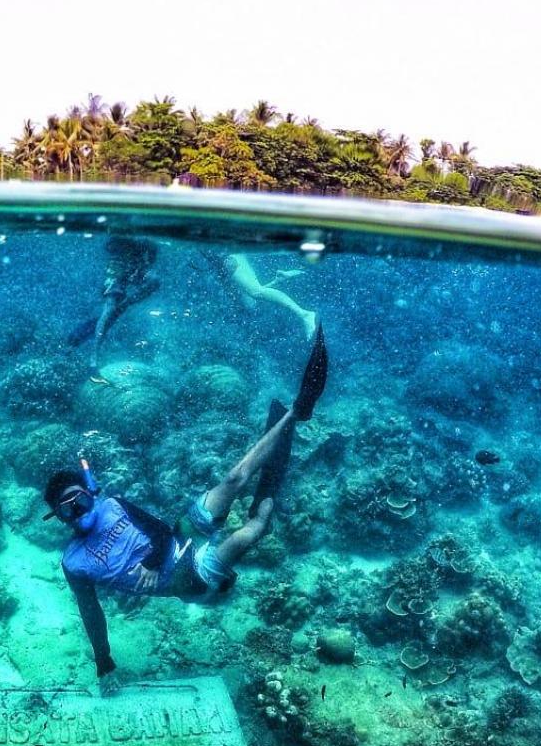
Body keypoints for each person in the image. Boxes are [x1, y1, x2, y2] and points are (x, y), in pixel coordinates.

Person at [43, 326, 329, 685]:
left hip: (177, 538)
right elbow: (91, 613)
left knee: (232, 480)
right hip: (183, 580)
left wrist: (150, 557)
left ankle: (296, 414)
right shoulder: (73, 563)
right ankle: (268, 498)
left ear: (91, 493)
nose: (80, 512)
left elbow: (161, 529)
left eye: (81, 501)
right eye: (69, 510)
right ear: (60, 518)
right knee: (247, 533)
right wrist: (104, 662)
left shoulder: (114, 505)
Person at [67, 236, 161, 371]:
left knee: (153, 282)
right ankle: (91, 355)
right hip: (121, 268)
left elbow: (152, 256)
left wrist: (128, 300)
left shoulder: (143, 241)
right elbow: (110, 247)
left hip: (134, 267)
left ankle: (81, 344)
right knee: (109, 313)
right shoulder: (124, 244)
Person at [213, 252, 317, 339]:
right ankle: (278, 279)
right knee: (250, 303)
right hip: (223, 263)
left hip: (228, 260)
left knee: (255, 292)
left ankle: (304, 314)